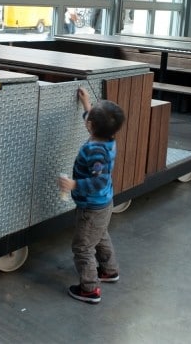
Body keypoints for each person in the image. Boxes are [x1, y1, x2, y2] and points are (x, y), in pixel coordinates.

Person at [58, 88, 125, 304]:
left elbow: (99, 180)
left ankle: (89, 288)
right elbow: (95, 122)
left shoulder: (96, 151)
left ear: (91, 126)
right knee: (100, 235)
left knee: (83, 246)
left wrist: (74, 184)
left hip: (91, 206)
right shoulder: (108, 139)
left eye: (92, 114)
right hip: (103, 204)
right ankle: (109, 270)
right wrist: (86, 104)